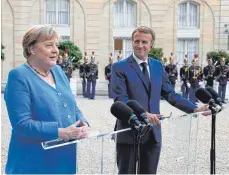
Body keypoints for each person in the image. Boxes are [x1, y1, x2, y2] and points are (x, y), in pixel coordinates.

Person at [111, 26, 209, 174]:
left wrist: (194, 108)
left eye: (144, 42)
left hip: (153, 134)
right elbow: (120, 99)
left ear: (151, 45)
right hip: (129, 132)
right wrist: (143, 114)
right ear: (132, 42)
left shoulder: (157, 66)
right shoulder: (119, 67)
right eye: (136, 41)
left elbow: (170, 93)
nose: (140, 45)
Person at [4, 25, 90, 174]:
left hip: (64, 161)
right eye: (49, 45)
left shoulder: (58, 71)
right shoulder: (18, 76)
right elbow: (21, 124)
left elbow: (71, 106)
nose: (56, 50)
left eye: (56, 45)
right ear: (32, 49)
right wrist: (61, 132)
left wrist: (83, 123)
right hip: (32, 164)